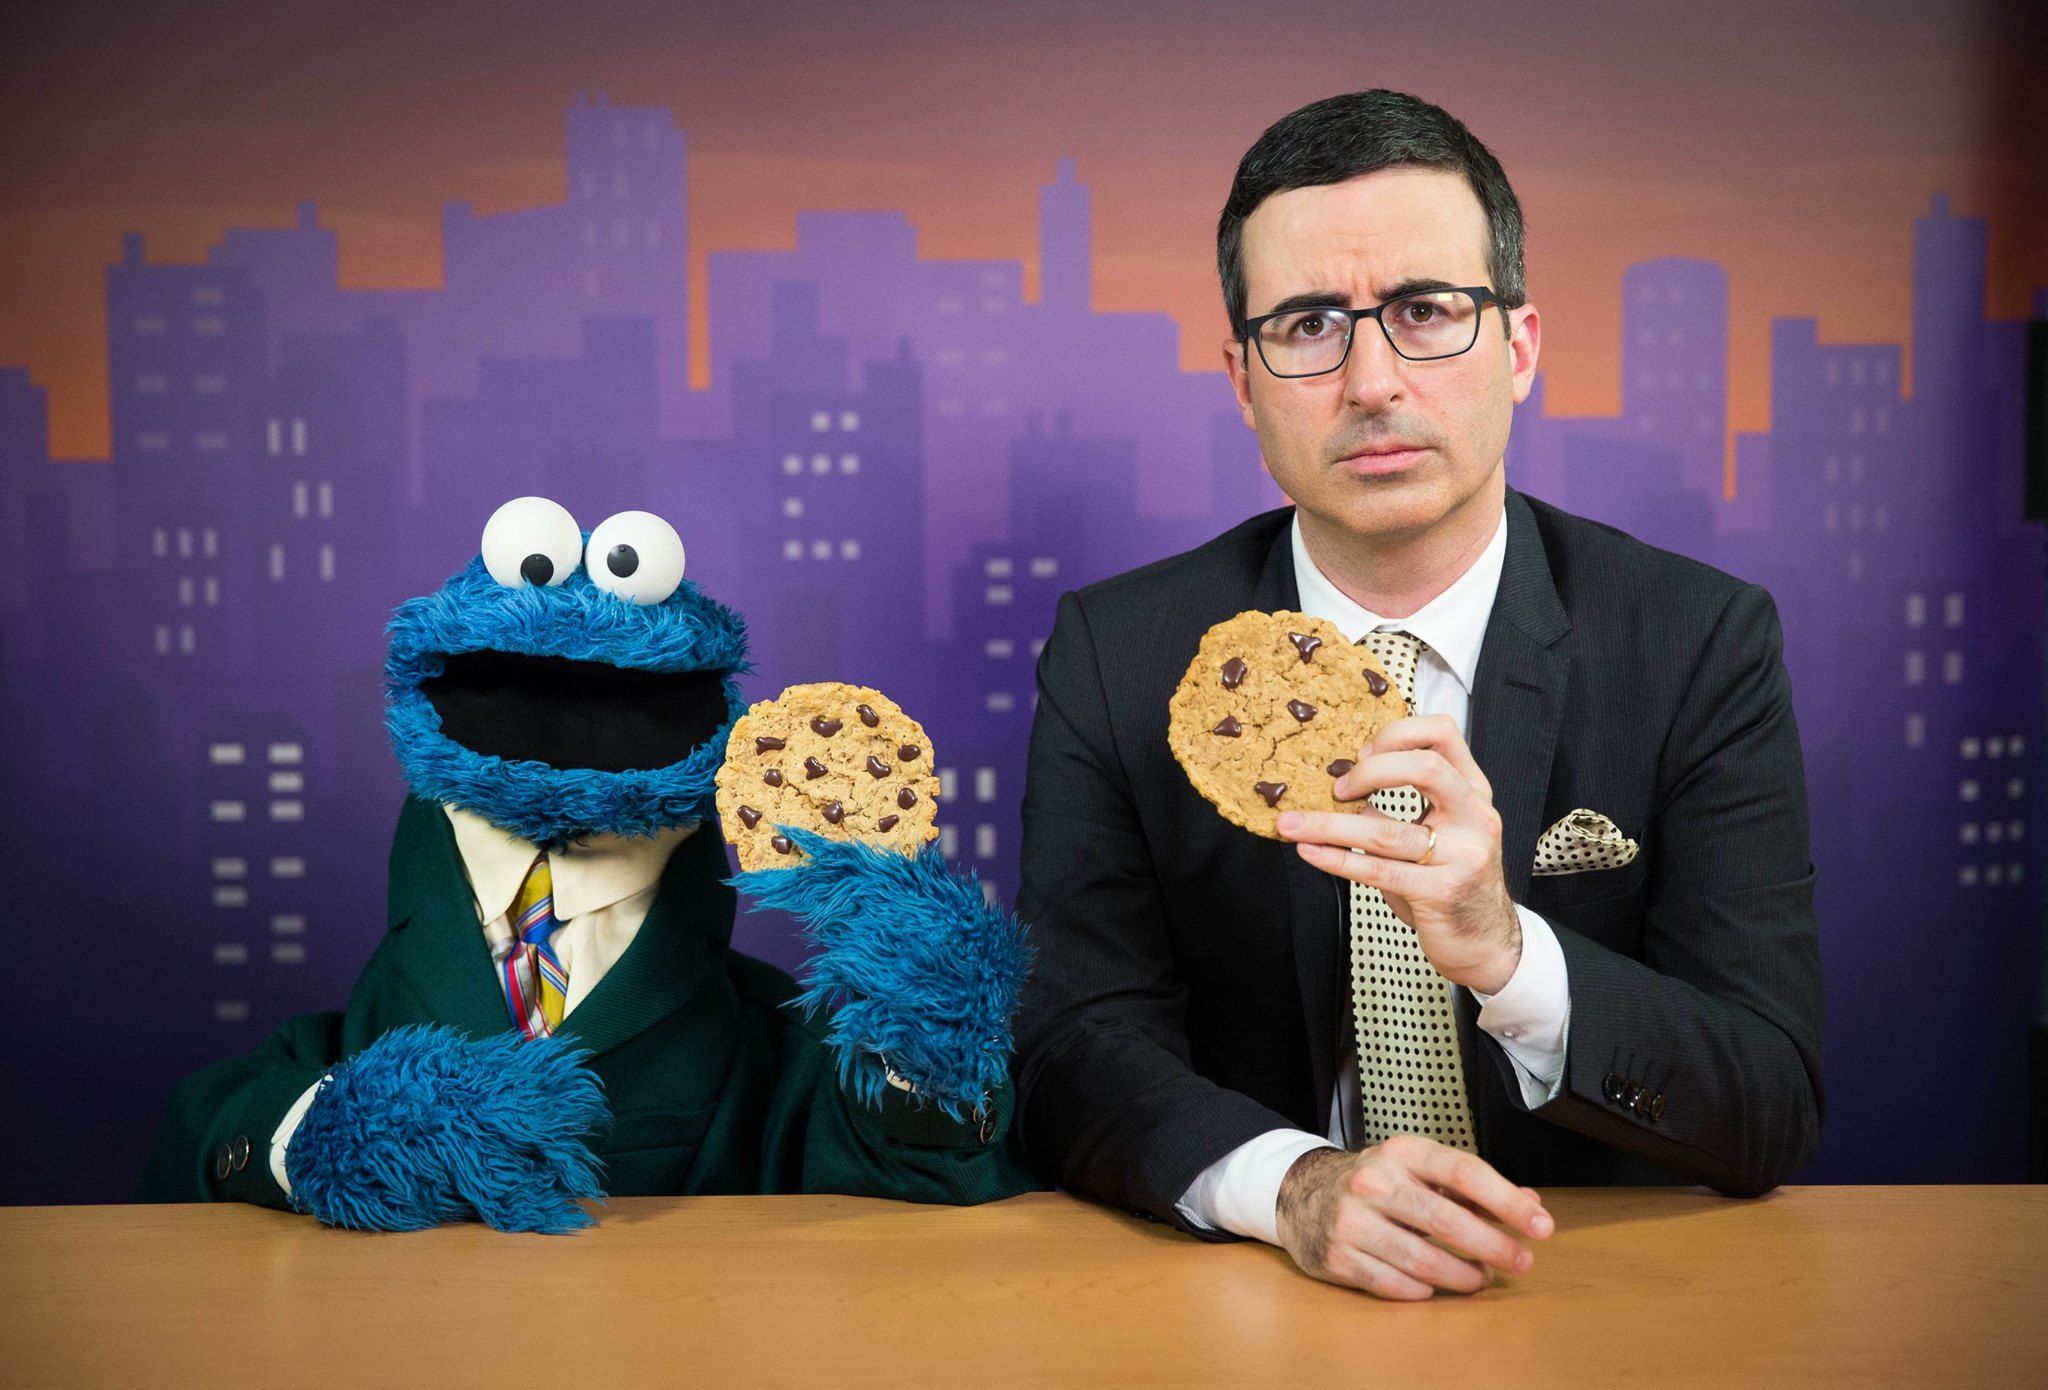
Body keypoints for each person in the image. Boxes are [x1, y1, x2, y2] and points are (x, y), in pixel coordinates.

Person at [1011, 90, 1822, 1300]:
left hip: (1601, 1294)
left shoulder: (1697, 643)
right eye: (1305, 326)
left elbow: (1769, 1097)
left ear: (1520, 345)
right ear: (1240, 376)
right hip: (1247, 1304)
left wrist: (1505, 953)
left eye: (1425, 311)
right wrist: (1291, 1187)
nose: (1370, 380)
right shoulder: (1115, 655)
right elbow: (1070, 1047)